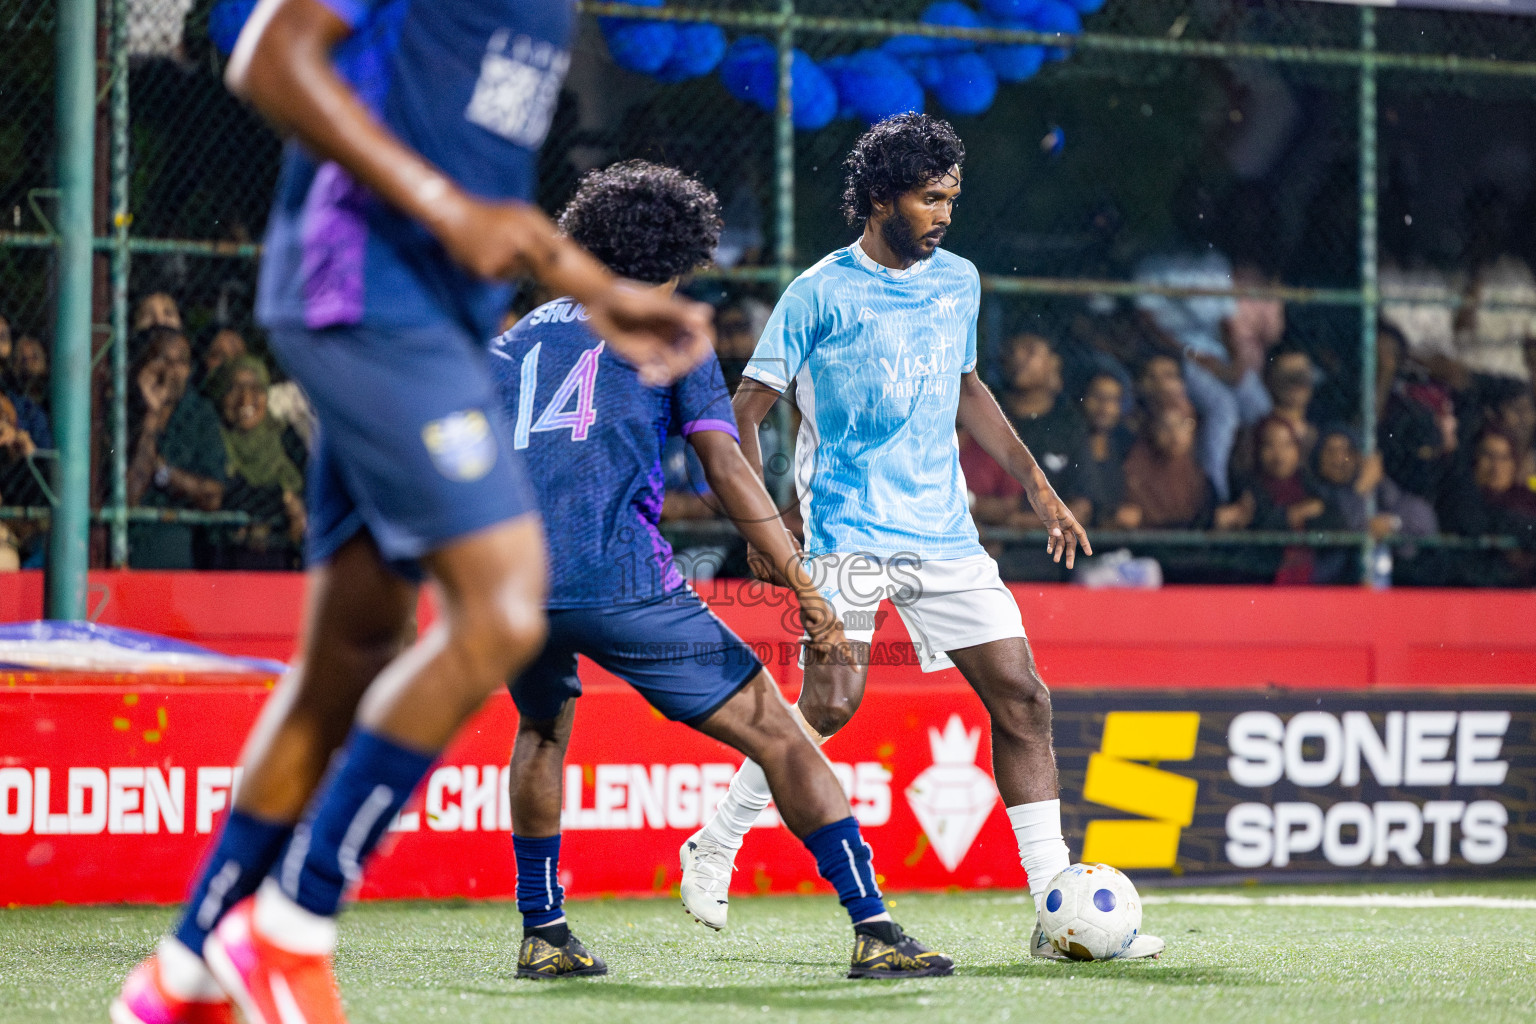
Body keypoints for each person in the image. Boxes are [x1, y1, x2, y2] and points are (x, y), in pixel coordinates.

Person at [112, 0, 711, 1021]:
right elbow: (267, 55)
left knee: (352, 652)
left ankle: (185, 965)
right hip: (365, 301)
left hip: (431, 322)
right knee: (503, 604)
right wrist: (443, 209)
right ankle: (290, 929)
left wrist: (587, 284)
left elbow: (492, 206)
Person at [681, 114, 1162, 961]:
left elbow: (967, 386)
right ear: (878, 198)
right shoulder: (818, 293)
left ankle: (1053, 913)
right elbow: (743, 413)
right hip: (846, 529)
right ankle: (714, 842)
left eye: (952, 198)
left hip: (944, 531)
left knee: (1023, 698)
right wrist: (765, 522)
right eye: (929, 198)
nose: (944, 215)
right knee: (832, 702)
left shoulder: (959, 281)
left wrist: (1038, 486)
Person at [492, 160, 950, 981]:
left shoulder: (518, 336)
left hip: (510, 585)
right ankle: (874, 928)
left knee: (539, 731)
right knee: (781, 736)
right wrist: (806, 588)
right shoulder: (666, 326)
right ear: (681, 252)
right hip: (621, 578)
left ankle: (543, 933)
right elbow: (729, 471)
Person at [1134, 179, 1272, 502]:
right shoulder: (1154, 263)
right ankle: (1216, 495)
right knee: (1223, 410)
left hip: (1216, 355)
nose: (1199, 218)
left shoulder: (1216, 262)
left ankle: (1255, 491)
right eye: (1193, 211)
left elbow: (1226, 321)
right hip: (1178, 356)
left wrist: (1236, 359)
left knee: (1261, 408)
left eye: (1205, 211)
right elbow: (1148, 324)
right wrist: (1193, 355)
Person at [125, 326, 227, 570]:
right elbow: (129, 495)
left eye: (181, 362)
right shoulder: (122, 411)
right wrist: (151, 415)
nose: (172, 371)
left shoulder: (201, 415)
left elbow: (212, 496)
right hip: (127, 544)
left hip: (176, 547)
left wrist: (163, 473)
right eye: (163, 359)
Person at [205, 355, 307, 570]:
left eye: (256, 388)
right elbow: (224, 493)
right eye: (234, 389)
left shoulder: (285, 436)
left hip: (283, 559)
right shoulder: (212, 438)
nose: (245, 399)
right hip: (225, 560)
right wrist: (283, 497)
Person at [1001, 333, 1085, 490]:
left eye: (1030, 351)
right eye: (1012, 350)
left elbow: (1082, 502)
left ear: (1054, 363)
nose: (1018, 356)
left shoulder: (1068, 424)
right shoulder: (989, 412)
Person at [1065, 372, 1133, 528]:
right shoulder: (1065, 444)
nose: (1105, 406)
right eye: (1097, 397)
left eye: (1112, 399)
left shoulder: (1124, 447)